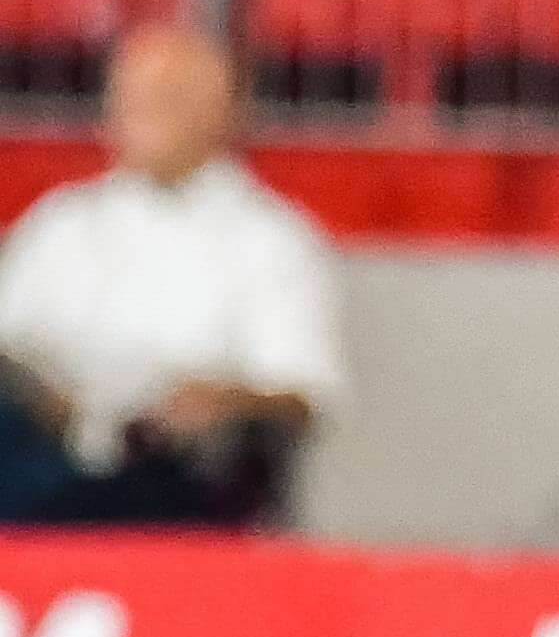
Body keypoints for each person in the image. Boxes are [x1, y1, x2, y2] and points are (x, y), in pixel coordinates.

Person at [0, 26, 340, 529]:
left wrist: (219, 401)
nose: (145, 114)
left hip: (181, 475)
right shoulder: (62, 222)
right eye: (133, 97)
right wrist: (43, 397)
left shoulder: (272, 239)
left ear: (226, 112)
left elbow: (299, 390)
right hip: (47, 456)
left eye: (169, 98)